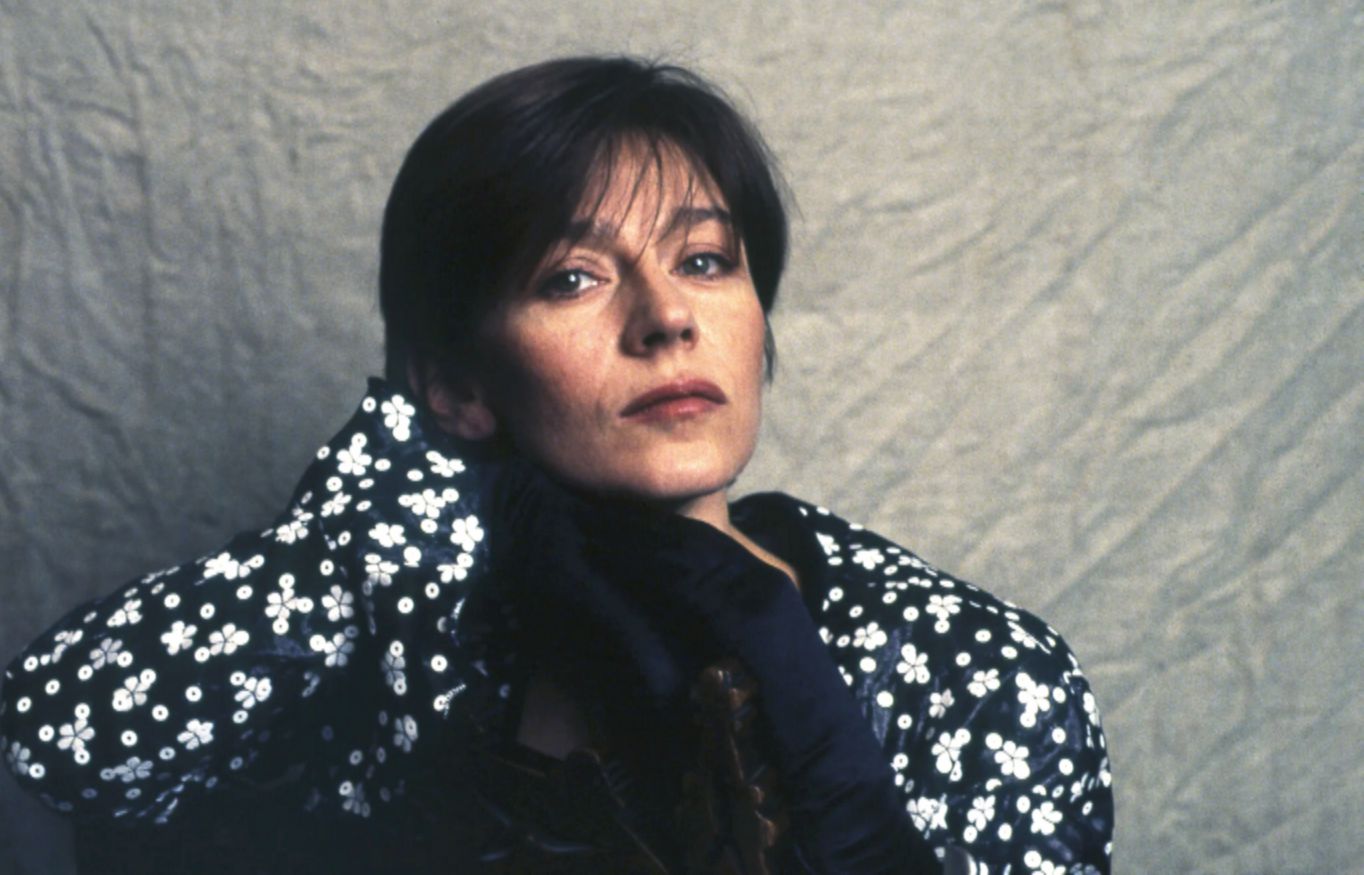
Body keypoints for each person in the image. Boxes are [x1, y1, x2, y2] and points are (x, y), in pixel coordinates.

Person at [0, 57, 1113, 873]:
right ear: (457, 382)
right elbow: (62, 741)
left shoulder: (973, 671)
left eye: (705, 260)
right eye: (572, 277)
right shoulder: (412, 627)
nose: (667, 316)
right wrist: (389, 515)